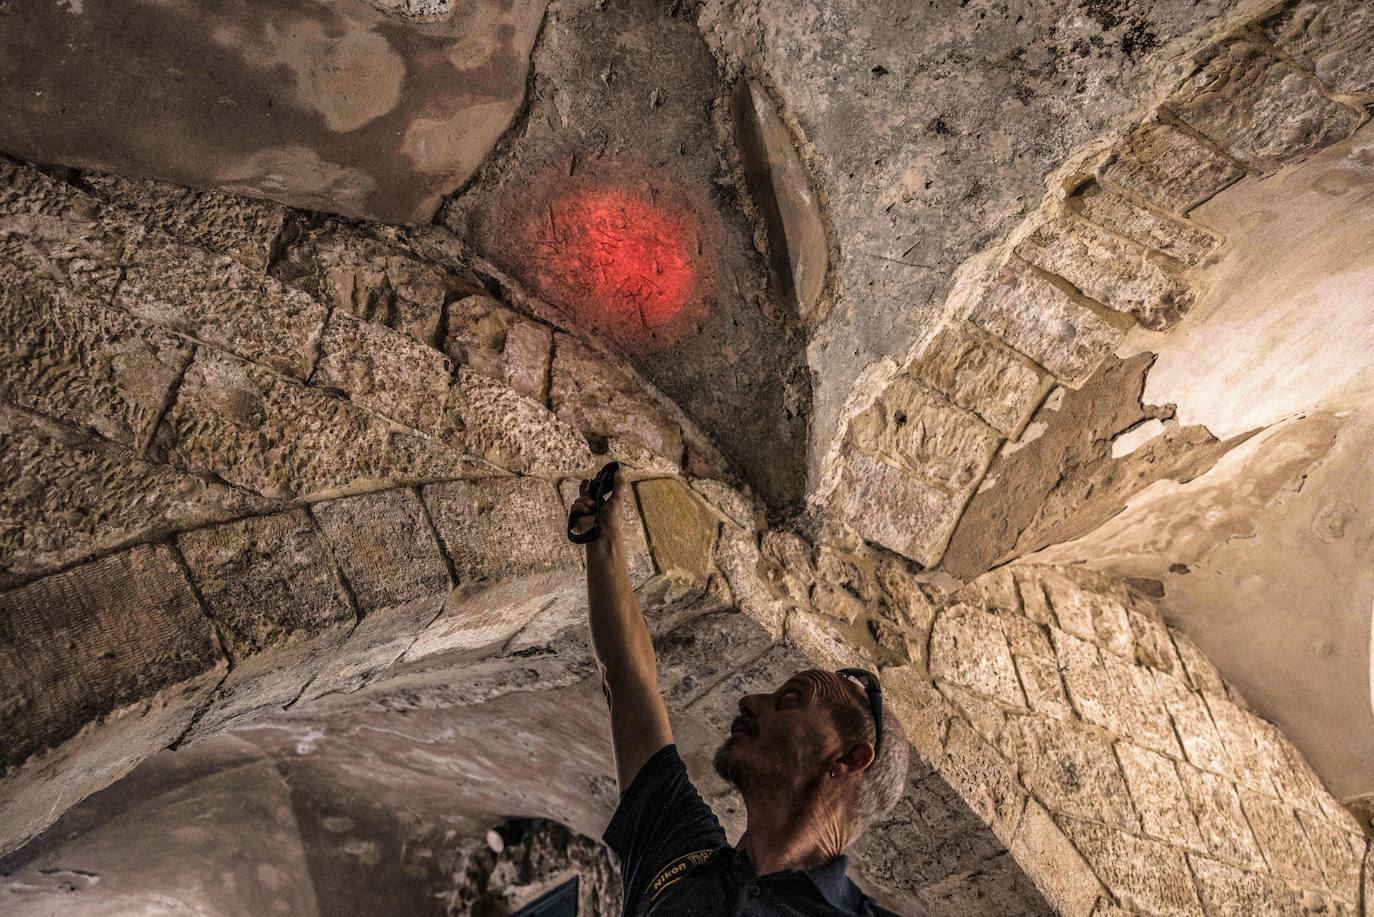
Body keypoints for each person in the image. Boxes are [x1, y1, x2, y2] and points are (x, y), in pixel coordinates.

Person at [569, 467, 921, 916]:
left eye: (792, 699)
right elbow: (629, 681)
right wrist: (604, 541)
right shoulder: (676, 846)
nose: (750, 701)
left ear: (850, 759)